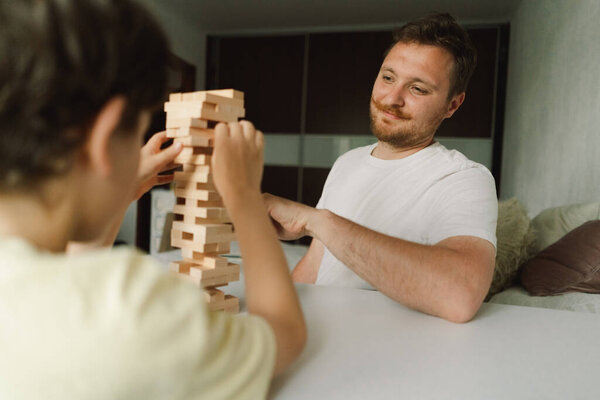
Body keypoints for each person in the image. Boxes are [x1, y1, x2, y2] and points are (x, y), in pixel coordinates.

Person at [0, 0, 305, 398]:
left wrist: (117, 192)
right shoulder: (134, 310)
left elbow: (70, 272)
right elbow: (284, 333)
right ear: (104, 139)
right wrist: (244, 198)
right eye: (139, 130)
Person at [264, 13, 498, 323]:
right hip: (319, 331)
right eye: (388, 77)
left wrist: (316, 221)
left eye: (418, 89)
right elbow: (315, 265)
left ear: (452, 105)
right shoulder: (347, 162)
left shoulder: (464, 178)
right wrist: (272, 321)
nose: (392, 98)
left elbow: (460, 295)